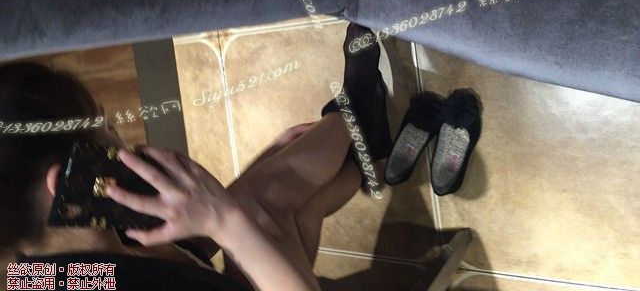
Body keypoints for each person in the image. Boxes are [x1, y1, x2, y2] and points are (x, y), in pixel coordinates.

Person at [0, 24, 393, 290]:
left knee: (270, 200)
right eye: (109, 135)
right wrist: (225, 220)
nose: (124, 145)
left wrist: (220, 203)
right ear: (66, 185)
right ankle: (356, 113)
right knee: (267, 211)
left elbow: (173, 266)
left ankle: (364, 142)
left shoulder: (40, 269)